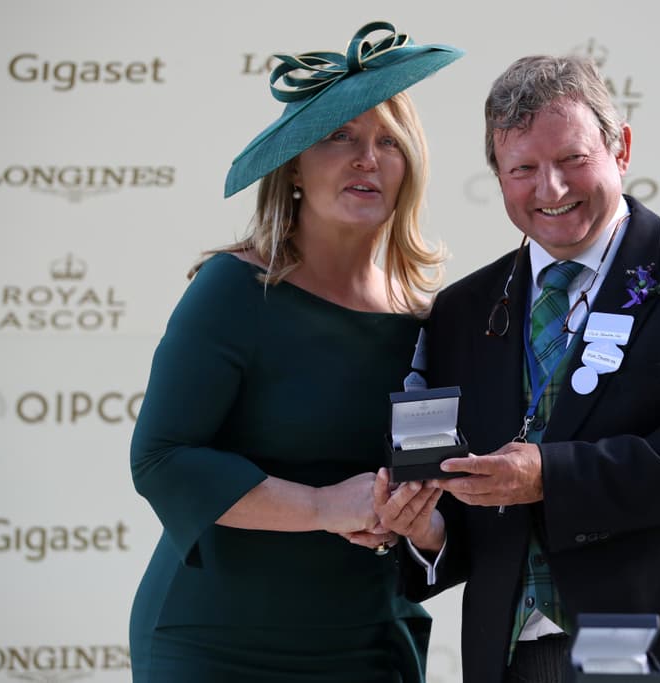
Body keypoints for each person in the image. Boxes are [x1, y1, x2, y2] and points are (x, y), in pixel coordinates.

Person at [375, 54, 660, 683]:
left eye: (572, 160)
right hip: (516, 658)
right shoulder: (463, 310)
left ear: (620, 148)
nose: (551, 190)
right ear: (500, 177)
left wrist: (553, 475)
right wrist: (428, 531)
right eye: (523, 170)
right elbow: (466, 510)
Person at [128, 21, 462, 683]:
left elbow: (439, 494)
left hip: (369, 644)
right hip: (215, 644)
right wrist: (320, 506)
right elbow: (161, 458)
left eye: (387, 141)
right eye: (340, 135)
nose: (367, 157)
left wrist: (421, 521)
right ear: (296, 165)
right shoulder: (233, 289)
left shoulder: (433, 320)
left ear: (410, 169)